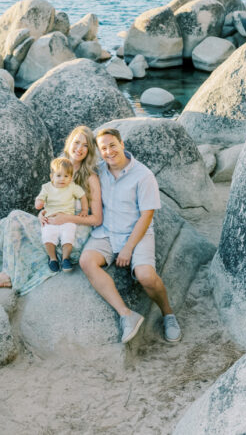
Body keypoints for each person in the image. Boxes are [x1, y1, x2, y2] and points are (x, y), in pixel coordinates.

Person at [0, 126, 103, 294]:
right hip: (54, 225)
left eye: (85, 146)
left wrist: (66, 218)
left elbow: (96, 219)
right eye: (77, 142)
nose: (80, 148)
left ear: (90, 150)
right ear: (69, 143)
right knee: (6, 223)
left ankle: (7, 274)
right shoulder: (60, 168)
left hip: (72, 235)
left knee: (15, 216)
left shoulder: (90, 177)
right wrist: (42, 213)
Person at [78, 127, 181, 344]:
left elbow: (146, 216)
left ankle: (168, 314)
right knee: (86, 261)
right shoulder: (98, 171)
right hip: (106, 232)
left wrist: (128, 248)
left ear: (122, 144)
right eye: (103, 148)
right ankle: (127, 315)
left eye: (112, 145)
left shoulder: (143, 176)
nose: (108, 151)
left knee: (145, 276)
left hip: (137, 233)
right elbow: (68, 174)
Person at [34, 157, 88, 272]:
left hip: (67, 219)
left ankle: (65, 259)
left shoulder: (72, 187)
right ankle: (53, 258)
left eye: (66, 176)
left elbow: (83, 196)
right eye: (58, 175)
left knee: (68, 237)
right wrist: (39, 203)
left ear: (71, 178)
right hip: (50, 219)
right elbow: (40, 199)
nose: (62, 179)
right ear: (51, 176)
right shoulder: (47, 187)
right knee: (48, 237)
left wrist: (84, 209)